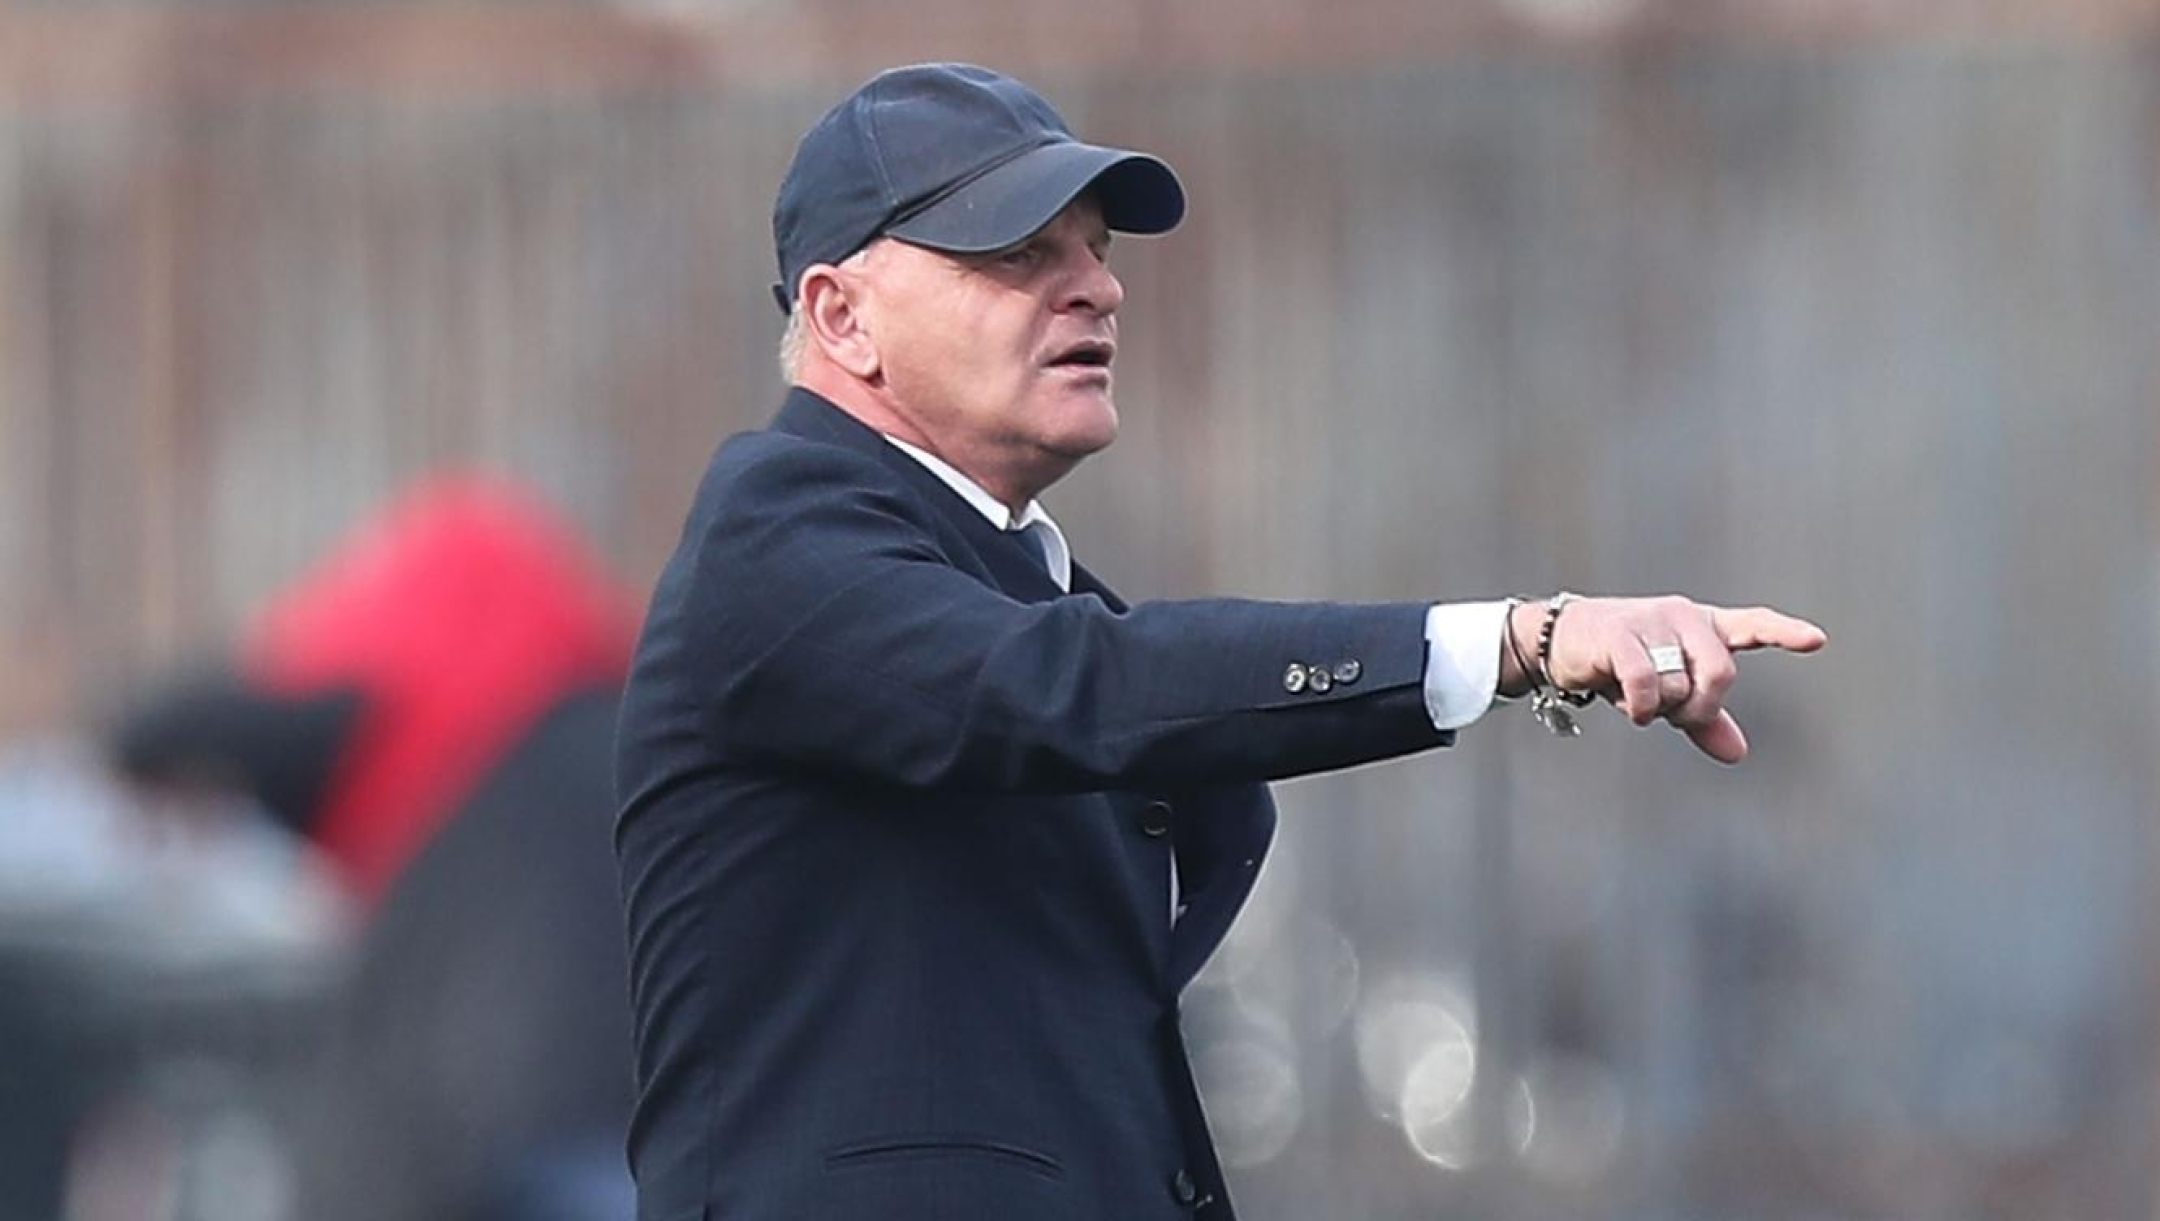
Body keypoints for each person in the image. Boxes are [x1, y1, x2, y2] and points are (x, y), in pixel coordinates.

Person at [613, 62, 1824, 1221]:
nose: (1097, 286)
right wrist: (1520, 639)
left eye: (1095, 249)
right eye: (1019, 253)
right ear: (842, 315)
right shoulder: (775, 529)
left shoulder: (1013, 583)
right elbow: (1075, 690)